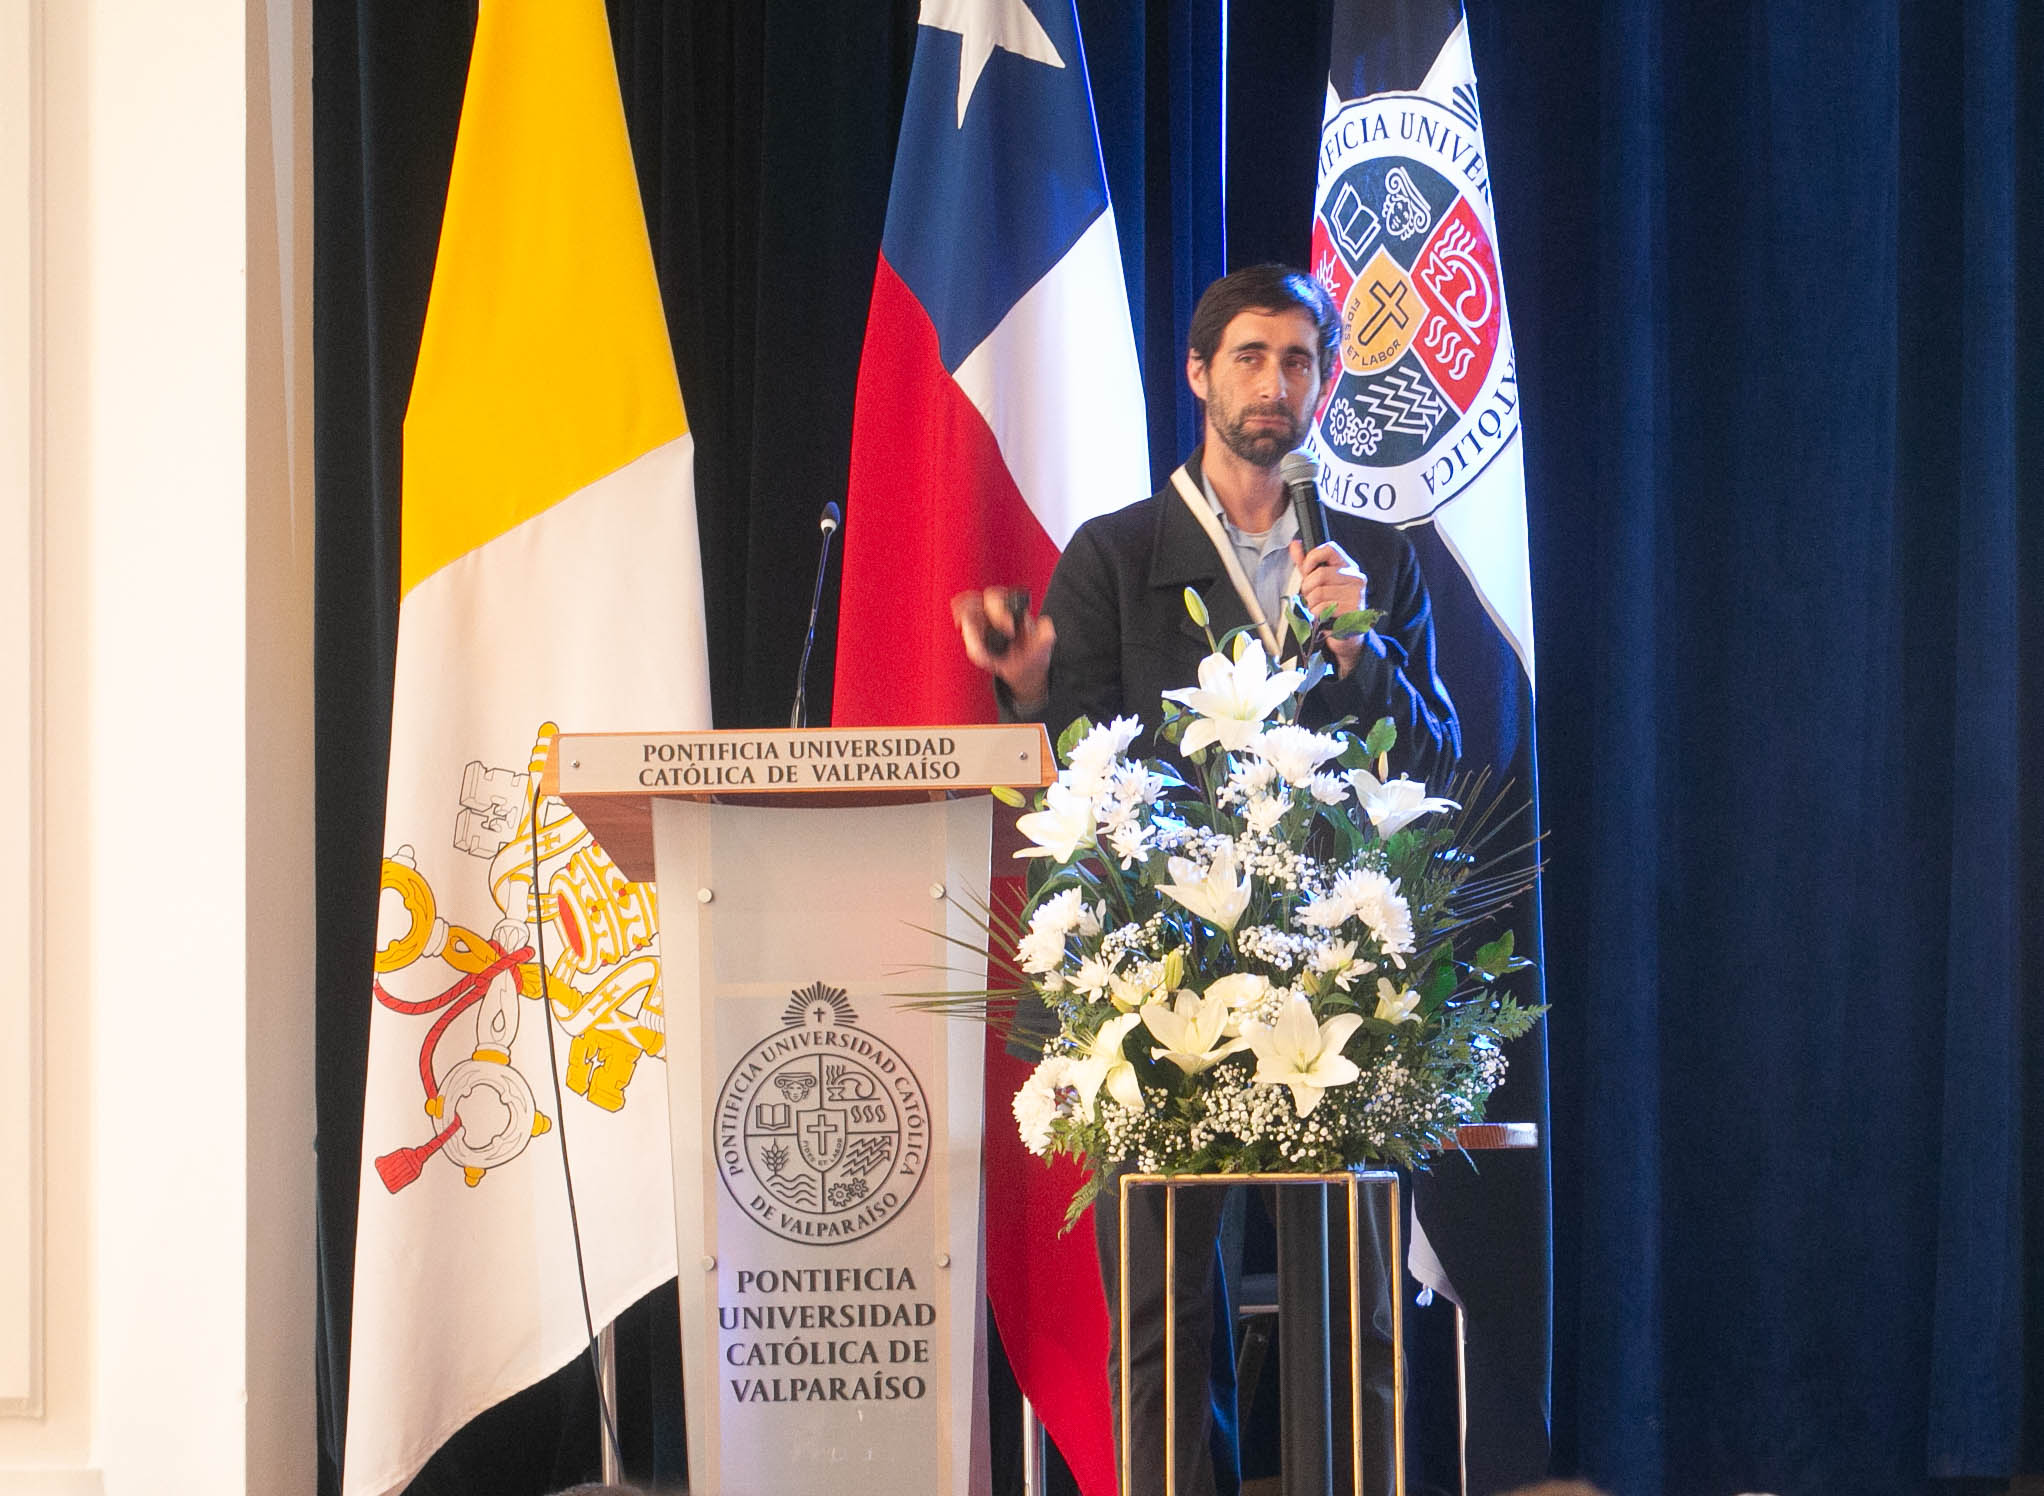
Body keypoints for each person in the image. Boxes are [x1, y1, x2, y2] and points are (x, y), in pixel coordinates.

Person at [954, 265, 1459, 1496]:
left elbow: (1434, 757)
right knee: (1168, 1315)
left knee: (1352, 1304)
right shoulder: (1117, 554)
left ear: (1323, 382)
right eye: (1249, 356)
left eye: (1298, 360)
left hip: (1336, 973)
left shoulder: (1371, 560)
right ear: (1197, 374)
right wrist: (1028, 687)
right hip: (1161, 973)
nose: (1274, 383)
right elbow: (1076, 771)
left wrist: (1361, 649)